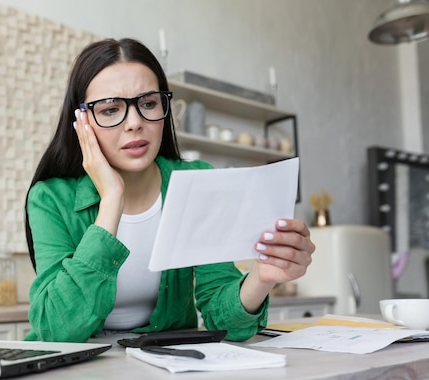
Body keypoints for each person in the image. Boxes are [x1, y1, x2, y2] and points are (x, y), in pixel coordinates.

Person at [23, 37, 315, 343]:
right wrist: (111, 200)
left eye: (148, 103)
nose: (135, 123)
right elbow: (55, 329)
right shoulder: (50, 198)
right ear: (82, 121)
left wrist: (262, 278)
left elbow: (226, 324)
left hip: (164, 372)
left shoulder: (197, 181)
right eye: (110, 109)